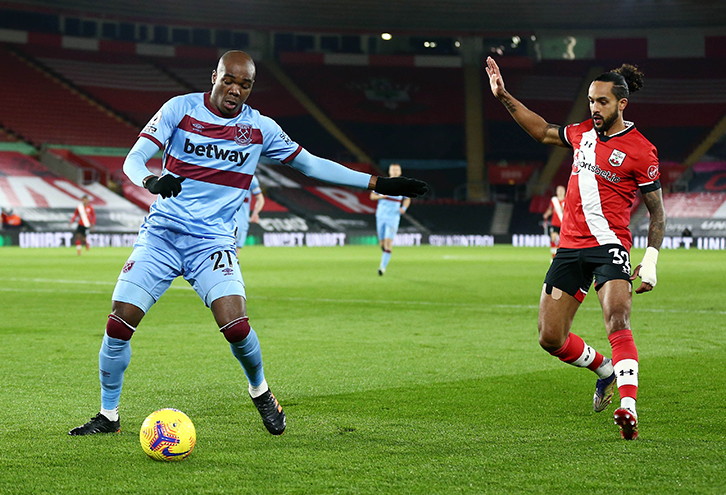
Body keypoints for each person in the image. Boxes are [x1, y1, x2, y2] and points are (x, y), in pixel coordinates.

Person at [69, 51, 427, 437]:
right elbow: (134, 158)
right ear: (214, 77)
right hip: (162, 236)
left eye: (245, 84)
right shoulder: (179, 109)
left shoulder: (260, 128)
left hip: (212, 242)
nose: (235, 90)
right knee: (119, 322)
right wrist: (150, 180)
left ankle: (261, 392)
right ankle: (109, 416)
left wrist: (376, 183)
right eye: (229, 80)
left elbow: (310, 164)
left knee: (236, 326)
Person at [486, 57, 666, 440]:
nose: (594, 109)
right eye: (590, 101)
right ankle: (604, 369)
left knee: (617, 318)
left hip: (609, 246)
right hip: (569, 248)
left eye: (601, 102)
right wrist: (503, 96)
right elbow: (542, 131)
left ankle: (627, 407)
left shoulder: (641, 150)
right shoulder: (581, 133)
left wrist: (650, 260)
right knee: (549, 337)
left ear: (622, 104)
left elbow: (657, 213)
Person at [370, 163, 411, 276]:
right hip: (381, 216)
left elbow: (407, 199)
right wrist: (381, 196)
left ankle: (382, 267)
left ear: (400, 172)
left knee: (388, 242)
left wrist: (404, 208)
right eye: (393, 170)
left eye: (397, 170)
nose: (395, 172)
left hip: (393, 217)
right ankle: (386, 254)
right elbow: (372, 196)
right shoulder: (382, 184)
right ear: (389, 171)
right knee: (382, 243)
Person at [234, 175, 265, 255]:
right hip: (224, 220)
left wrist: (255, 213)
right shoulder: (225, 174)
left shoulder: (250, 178)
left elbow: (260, 199)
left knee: (235, 253)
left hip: (241, 222)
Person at [542, 185, 566, 258]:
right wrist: (546, 214)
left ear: (565, 192)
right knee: (553, 238)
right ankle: (553, 256)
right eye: (559, 190)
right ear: (556, 192)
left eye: (562, 190)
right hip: (555, 223)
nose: (560, 192)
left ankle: (560, 255)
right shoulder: (554, 200)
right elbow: (551, 209)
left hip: (564, 224)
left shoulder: (566, 201)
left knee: (562, 241)